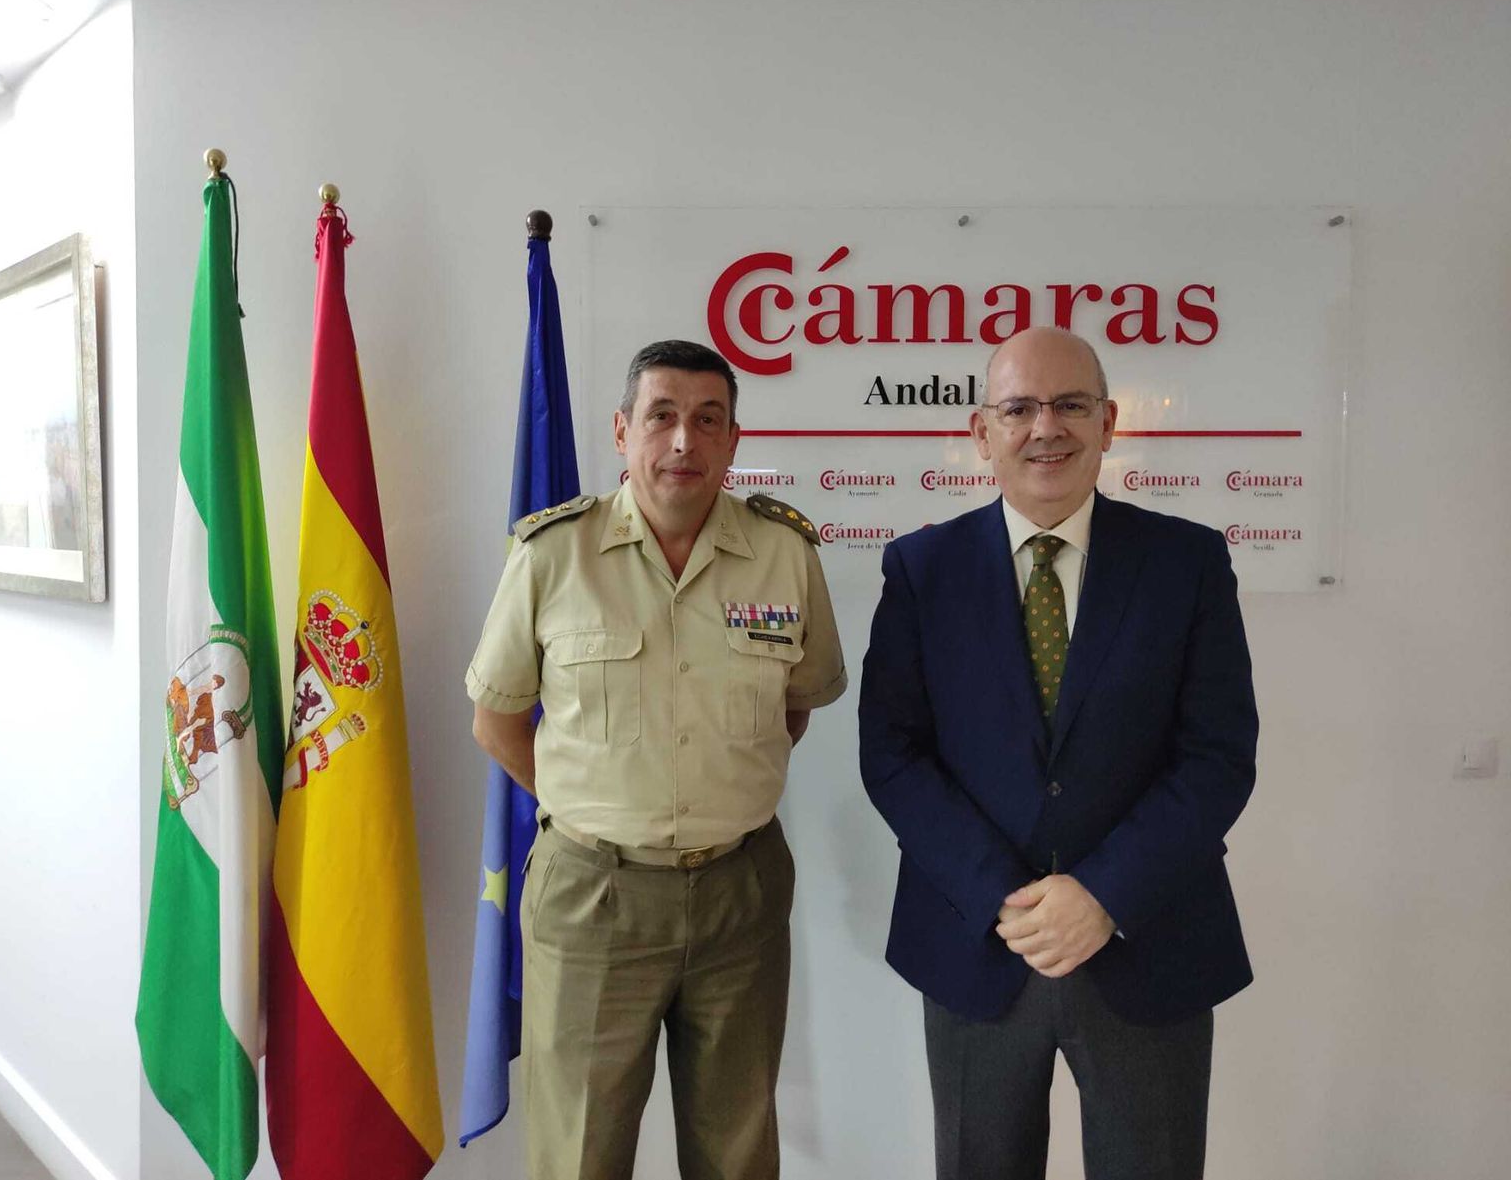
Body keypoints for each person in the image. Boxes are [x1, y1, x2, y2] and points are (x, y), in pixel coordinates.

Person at [858, 326, 1257, 1180]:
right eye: (1019, 408)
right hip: (978, 947)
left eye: (1071, 404)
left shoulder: (1187, 562)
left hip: (1149, 944)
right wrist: (1000, 894)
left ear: (1108, 422)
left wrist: (1104, 893)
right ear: (982, 432)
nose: (1046, 427)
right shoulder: (922, 569)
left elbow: (1218, 755)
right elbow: (892, 753)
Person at [467, 339, 847, 1180]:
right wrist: (593, 802)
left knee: (737, 1149)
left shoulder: (784, 553)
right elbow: (496, 720)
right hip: (592, 895)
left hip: (741, 893)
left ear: (734, 440)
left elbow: (794, 706)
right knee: (578, 1155)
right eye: (662, 416)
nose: (684, 440)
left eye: (708, 420)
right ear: (622, 430)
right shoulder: (553, 553)